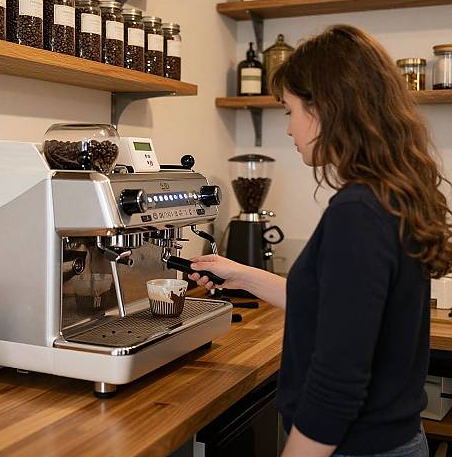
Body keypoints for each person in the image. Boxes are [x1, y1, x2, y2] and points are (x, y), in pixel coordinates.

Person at [189, 25, 452, 457]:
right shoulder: (390, 195)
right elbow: (341, 309)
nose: (289, 129)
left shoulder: (357, 213)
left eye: (291, 111)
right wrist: (243, 275)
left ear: (327, 110)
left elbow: (338, 382)